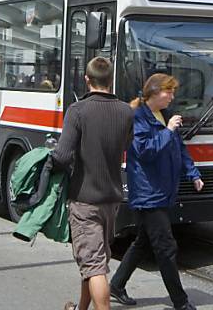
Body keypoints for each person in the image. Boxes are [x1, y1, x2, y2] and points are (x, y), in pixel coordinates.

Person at [109, 74, 203, 310]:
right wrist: (168, 131)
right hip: (147, 192)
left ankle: (117, 284)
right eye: (168, 92)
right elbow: (144, 151)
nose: (172, 96)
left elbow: (179, 148)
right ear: (153, 93)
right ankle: (180, 301)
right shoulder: (138, 117)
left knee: (143, 241)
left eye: (172, 92)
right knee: (165, 246)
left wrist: (193, 173)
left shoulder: (167, 116)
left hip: (163, 189)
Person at [51, 57, 134, 310]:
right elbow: (127, 146)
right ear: (111, 80)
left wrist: (50, 160)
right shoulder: (125, 111)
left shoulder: (78, 111)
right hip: (111, 199)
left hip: (85, 199)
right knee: (94, 259)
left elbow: (63, 156)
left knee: (94, 265)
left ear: (87, 80)